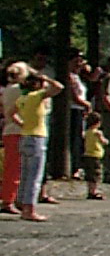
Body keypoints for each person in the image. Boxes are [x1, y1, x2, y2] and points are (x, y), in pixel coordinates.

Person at [14, 68, 64, 221]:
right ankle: (29, 209)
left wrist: (22, 123)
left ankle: (21, 201)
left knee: (25, 173)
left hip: (25, 136)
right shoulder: (37, 96)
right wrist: (47, 79)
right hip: (37, 137)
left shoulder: (22, 98)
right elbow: (59, 87)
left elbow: (11, 113)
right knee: (35, 176)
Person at [0, 62, 27, 214]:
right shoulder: (19, 90)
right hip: (18, 129)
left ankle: (9, 197)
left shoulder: (6, 90)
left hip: (8, 129)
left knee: (11, 166)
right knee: (16, 167)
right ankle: (9, 199)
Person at [81, 111, 108, 200]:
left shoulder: (86, 132)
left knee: (89, 174)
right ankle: (94, 191)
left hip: (87, 154)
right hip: (96, 155)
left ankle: (90, 190)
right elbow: (104, 142)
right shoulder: (98, 133)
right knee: (96, 174)